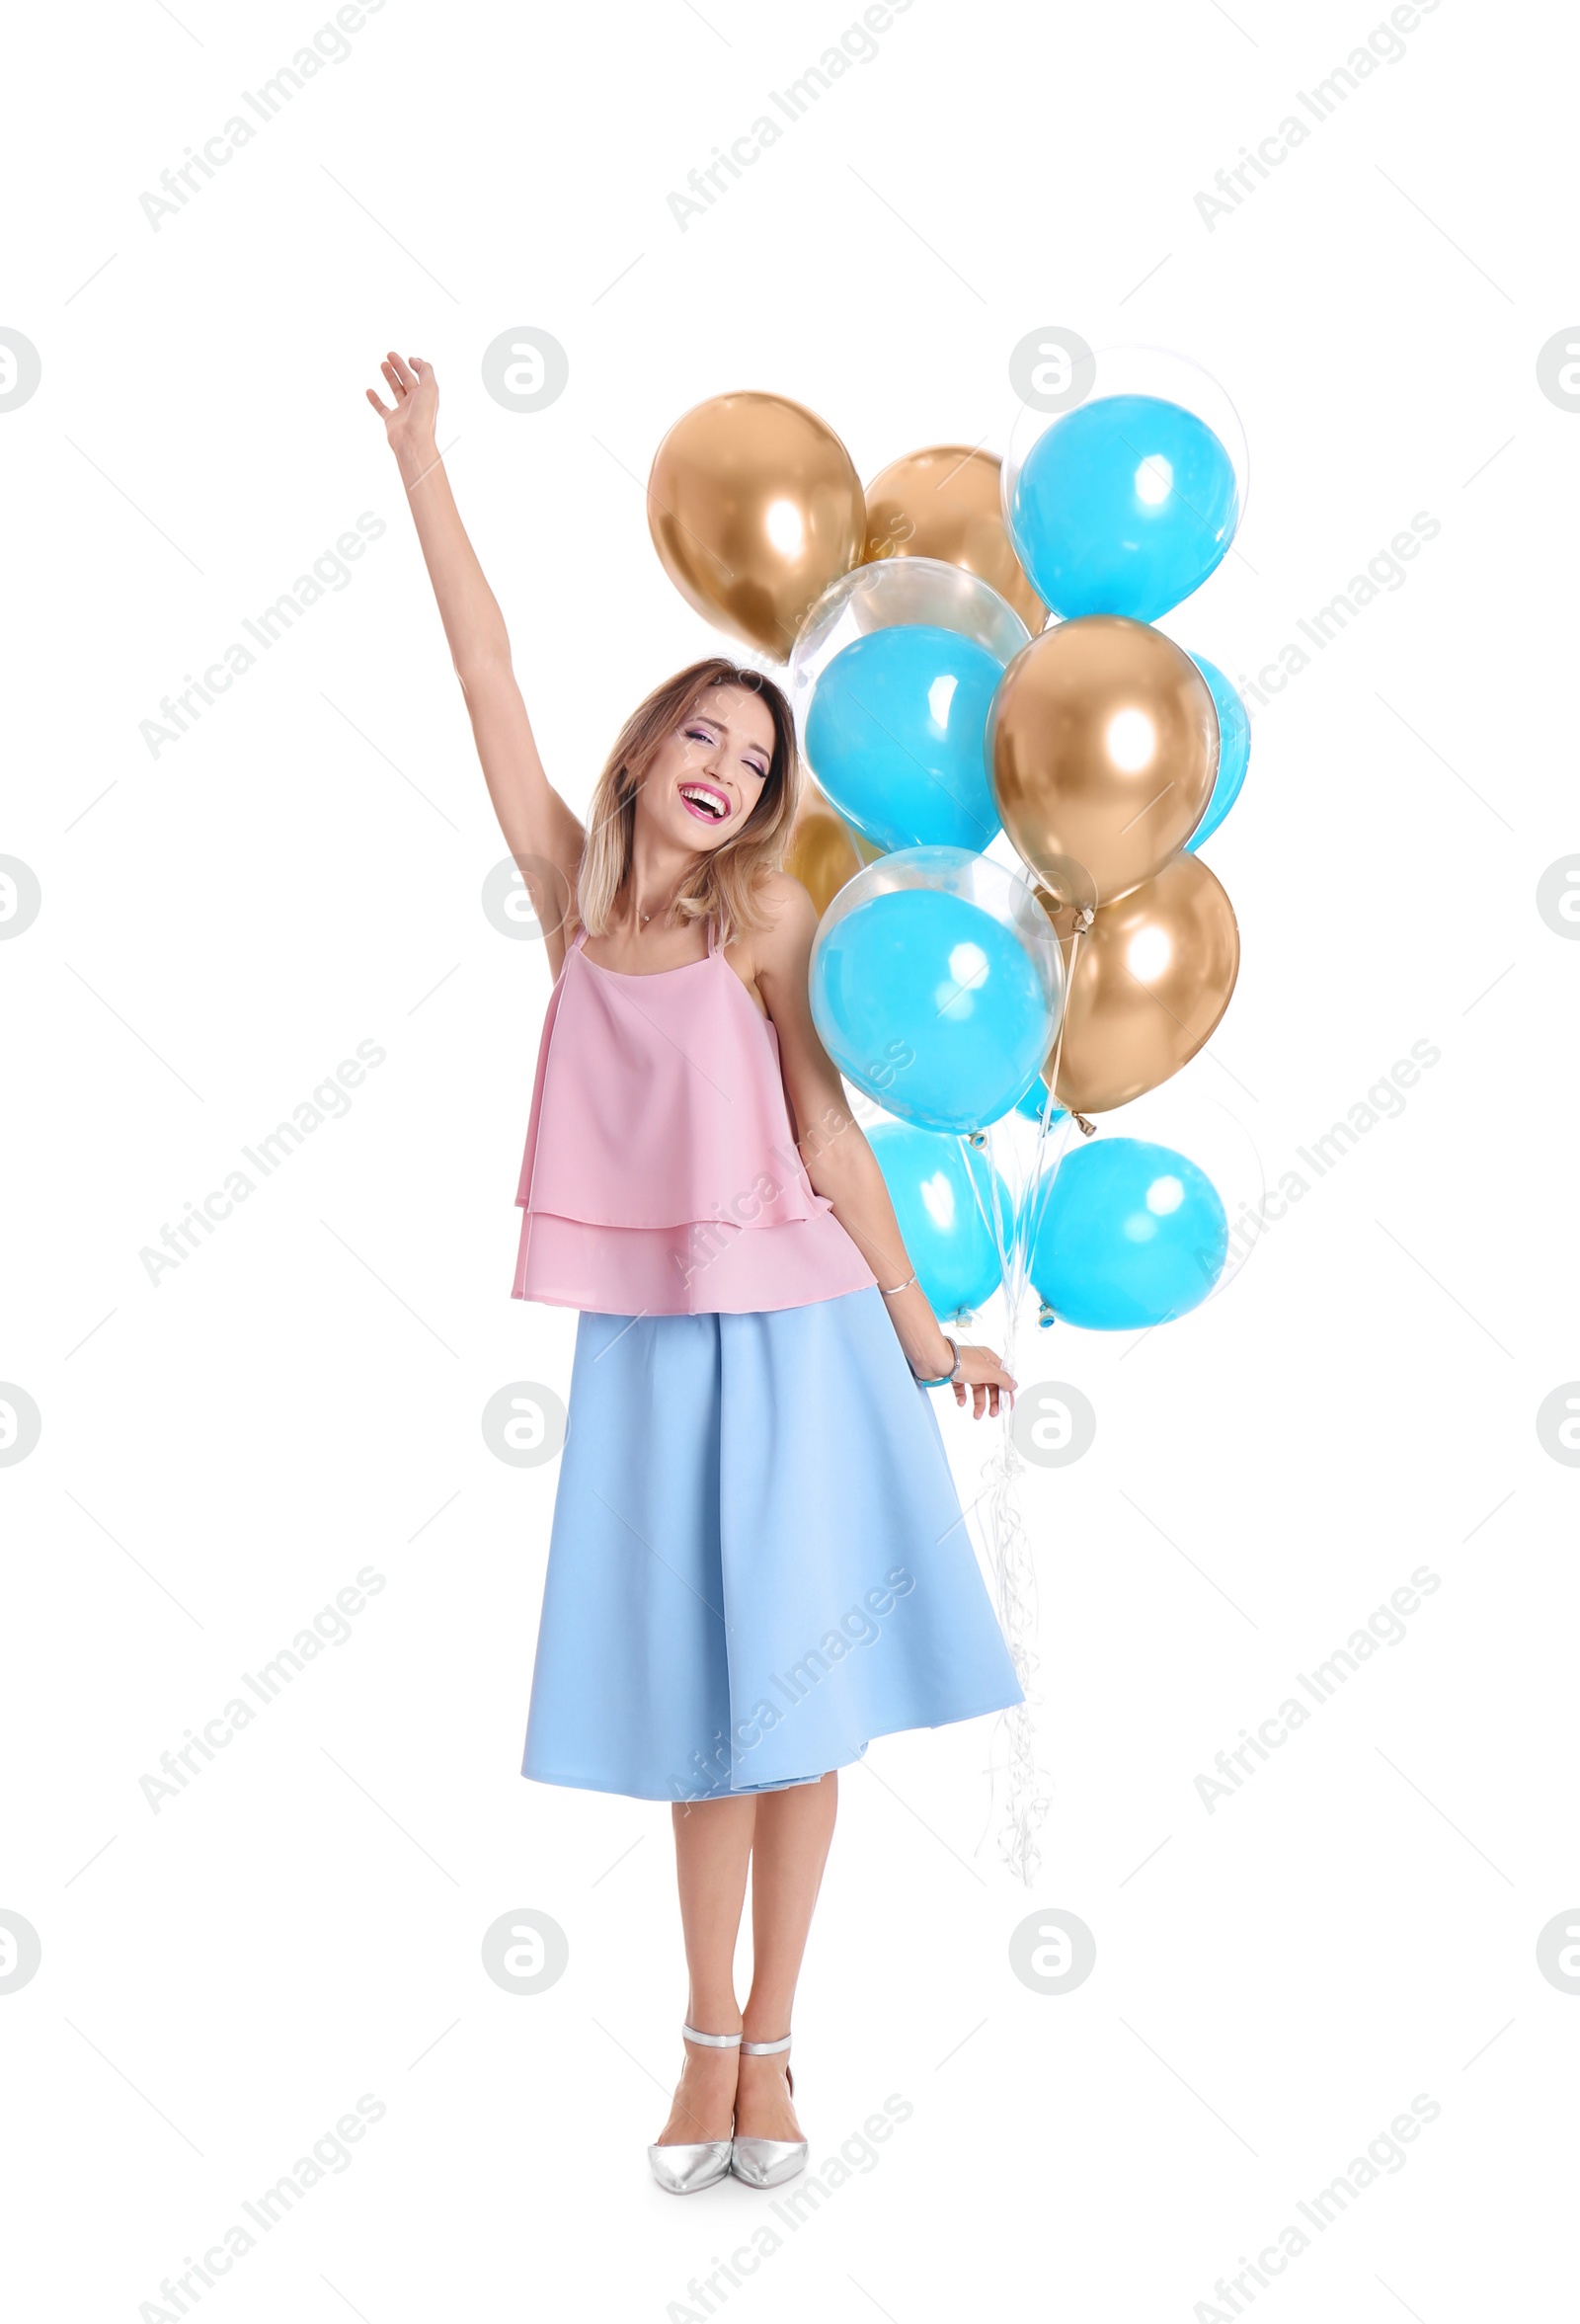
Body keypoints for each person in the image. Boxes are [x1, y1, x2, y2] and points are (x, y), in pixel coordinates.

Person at [366, 351, 1024, 2196]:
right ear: (649, 751)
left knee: (800, 1700)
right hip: (654, 1353)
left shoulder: (770, 918)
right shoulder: (578, 899)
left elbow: (832, 1141)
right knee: (697, 1707)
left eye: (757, 758)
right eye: (706, 742)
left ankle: (780, 2050)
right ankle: (699, 2043)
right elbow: (485, 674)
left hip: (805, 1334)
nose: (731, 773)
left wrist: (921, 1327)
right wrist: (427, 463)